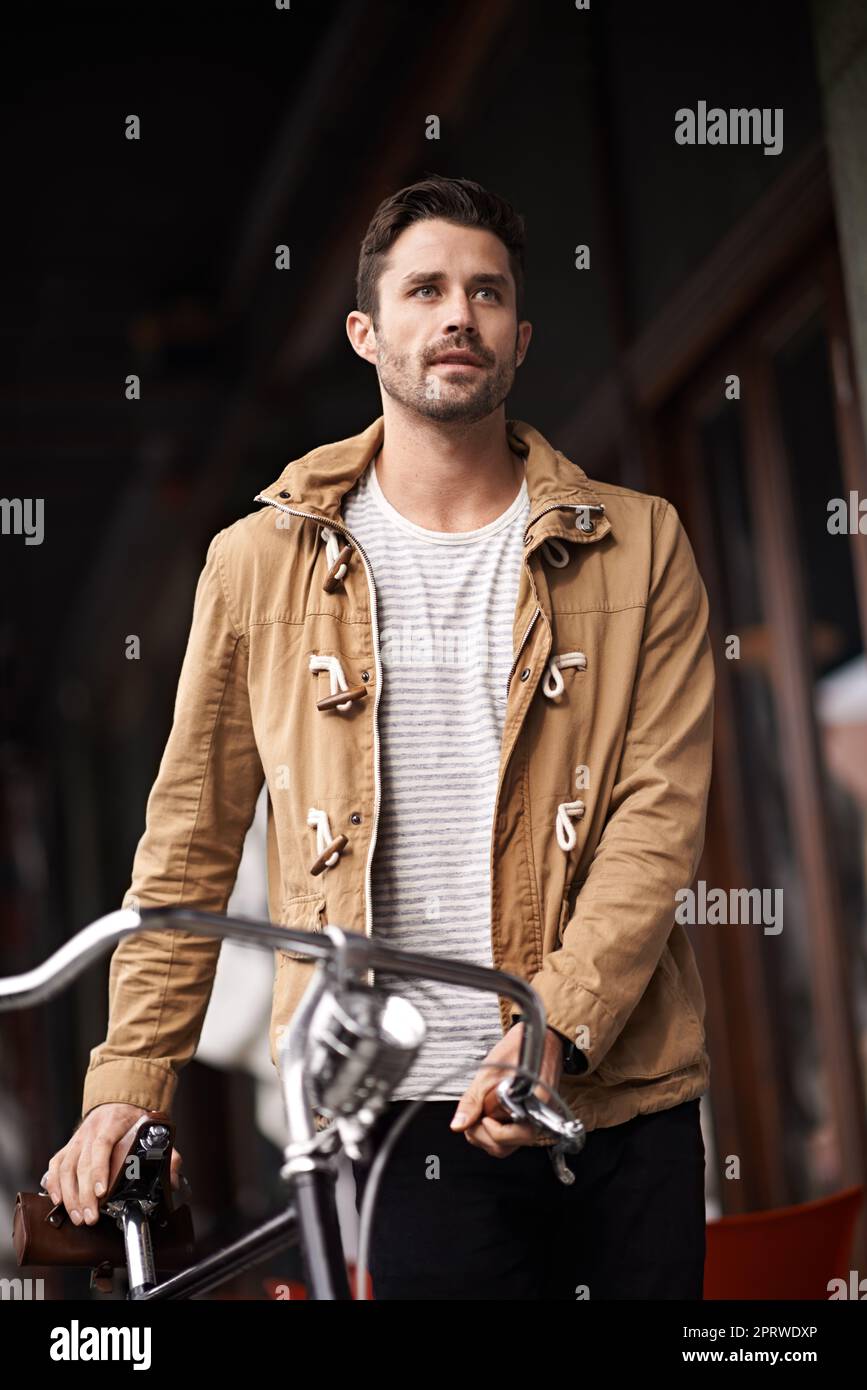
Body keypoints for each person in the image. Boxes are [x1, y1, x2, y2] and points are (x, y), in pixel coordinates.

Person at [42, 174, 715, 1299]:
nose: (460, 314)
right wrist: (129, 1079)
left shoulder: (640, 546)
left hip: (616, 1096)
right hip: (392, 1116)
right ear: (366, 331)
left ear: (519, 336)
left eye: (487, 293)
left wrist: (560, 1027)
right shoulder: (255, 564)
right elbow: (188, 843)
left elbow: (659, 817)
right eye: (427, 289)